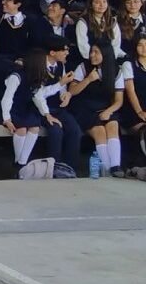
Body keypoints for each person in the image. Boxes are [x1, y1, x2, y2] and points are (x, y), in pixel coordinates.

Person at [68, 43, 125, 177]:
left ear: (105, 54)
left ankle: (115, 167)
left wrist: (108, 111)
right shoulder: (83, 67)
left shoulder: (116, 71)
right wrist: (88, 79)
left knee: (113, 125)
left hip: (105, 107)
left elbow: (119, 100)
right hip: (85, 108)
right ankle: (107, 170)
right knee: (100, 131)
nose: (92, 55)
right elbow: (72, 91)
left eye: (96, 52)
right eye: (91, 52)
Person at [30, 36, 82, 172]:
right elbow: (37, 94)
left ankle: (70, 168)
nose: (67, 53)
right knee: (56, 131)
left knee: (74, 129)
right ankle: (53, 168)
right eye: (64, 50)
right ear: (52, 52)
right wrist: (47, 114)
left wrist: (65, 96)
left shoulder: (60, 65)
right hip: (40, 109)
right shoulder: (38, 65)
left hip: (56, 107)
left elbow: (62, 87)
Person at [75, 0, 123, 64]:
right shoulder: (83, 22)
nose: (101, 5)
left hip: (109, 60)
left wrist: (110, 59)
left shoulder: (112, 21)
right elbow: (83, 45)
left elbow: (116, 43)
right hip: (90, 60)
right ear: (91, 5)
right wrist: (95, 59)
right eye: (97, 2)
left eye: (104, 2)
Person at [120, 35, 146, 169]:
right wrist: (140, 111)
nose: (144, 48)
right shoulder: (129, 65)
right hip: (133, 110)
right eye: (140, 45)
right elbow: (130, 91)